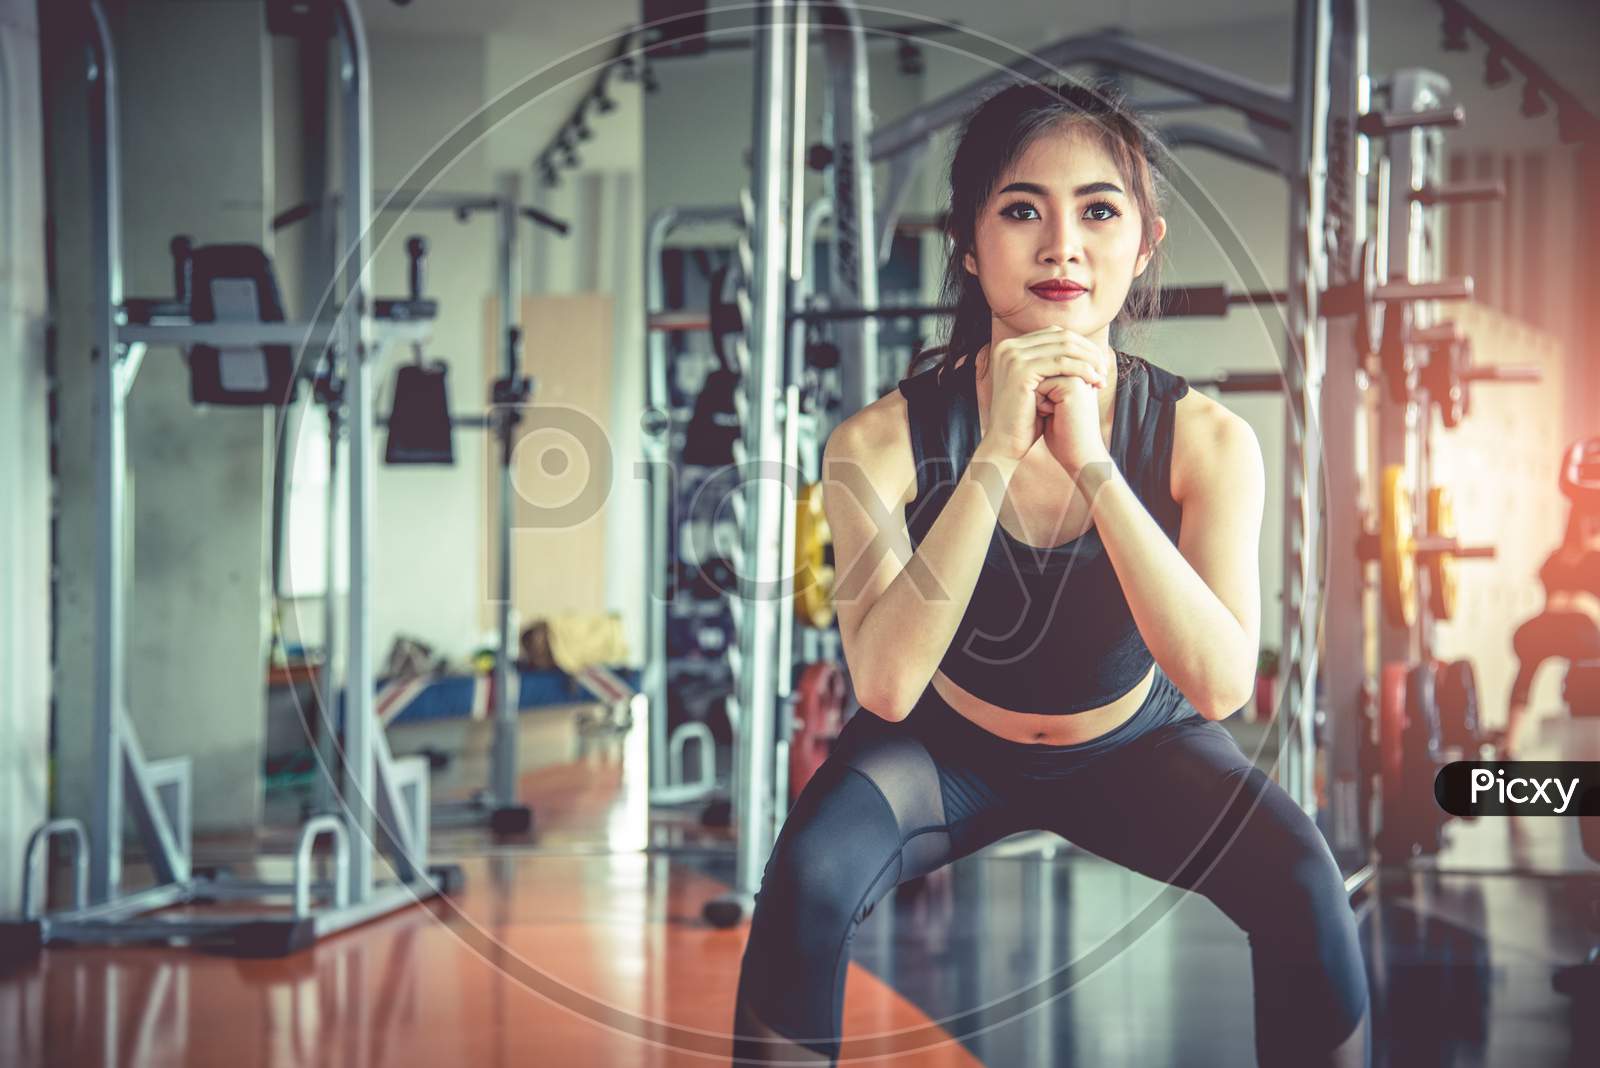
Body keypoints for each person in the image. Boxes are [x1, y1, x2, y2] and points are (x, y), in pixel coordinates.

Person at [728, 83, 1369, 1067]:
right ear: (970, 243)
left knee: (1301, 879)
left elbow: (1222, 684)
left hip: (1136, 747)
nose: (1061, 244)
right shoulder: (877, 441)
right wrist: (990, 454)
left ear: (1142, 243)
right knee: (806, 882)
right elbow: (889, 685)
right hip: (941, 756)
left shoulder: (1208, 442)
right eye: (1021, 209)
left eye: (1097, 211)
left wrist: (1096, 468)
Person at [1503, 508, 1600, 758]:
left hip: (1586, 632)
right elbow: (1552, 602)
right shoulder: (1556, 558)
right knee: (1527, 663)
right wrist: (1576, 600)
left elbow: (1589, 608)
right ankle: (1509, 745)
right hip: (1553, 626)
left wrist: (1579, 601)